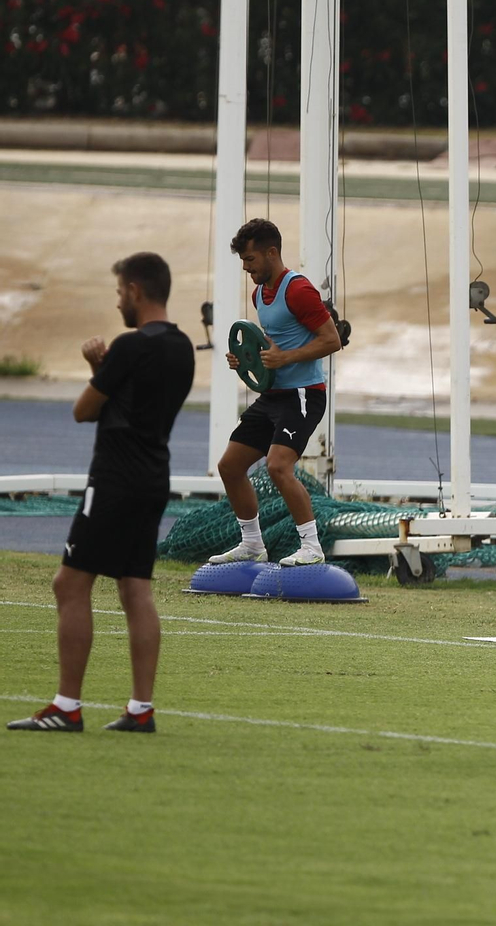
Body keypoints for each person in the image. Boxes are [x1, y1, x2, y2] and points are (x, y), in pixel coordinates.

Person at [9, 254, 195, 733]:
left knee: (69, 584)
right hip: (154, 477)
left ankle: (67, 706)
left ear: (135, 290)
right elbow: (136, 400)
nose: (118, 304)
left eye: (118, 294)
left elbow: (84, 409)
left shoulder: (130, 347)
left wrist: (98, 366)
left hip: (114, 478)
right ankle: (141, 709)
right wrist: (108, 368)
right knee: (136, 589)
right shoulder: (183, 349)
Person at [208, 218, 343, 567]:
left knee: (278, 466)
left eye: (250, 260)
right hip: (273, 395)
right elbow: (269, 348)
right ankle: (252, 544)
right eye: (243, 262)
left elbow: (332, 340)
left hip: (303, 394)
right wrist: (245, 360)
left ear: (271, 253)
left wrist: (286, 358)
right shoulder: (258, 294)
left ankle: (312, 547)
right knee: (229, 466)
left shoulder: (298, 290)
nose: (247, 268)